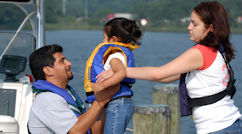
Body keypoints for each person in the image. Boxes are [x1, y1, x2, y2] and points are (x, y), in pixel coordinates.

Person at [96, 1, 242, 134]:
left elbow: (159, 73)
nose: (189, 27)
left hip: (219, 128)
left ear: (210, 28)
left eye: (194, 24)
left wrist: (120, 72)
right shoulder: (216, 51)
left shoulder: (201, 52)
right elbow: (166, 78)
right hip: (227, 126)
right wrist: (125, 74)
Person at [28, 44, 119, 134]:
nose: (69, 63)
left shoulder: (67, 94)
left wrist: (103, 102)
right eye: (62, 61)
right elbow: (76, 131)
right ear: (48, 70)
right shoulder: (47, 99)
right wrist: (99, 102)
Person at [84, 18, 142, 134]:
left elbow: (121, 73)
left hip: (117, 103)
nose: (103, 41)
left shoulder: (114, 55)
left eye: (104, 37)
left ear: (114, 39)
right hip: (118, 102)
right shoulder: (118, 53)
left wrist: (102, 86)